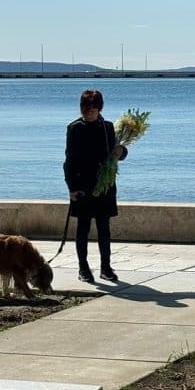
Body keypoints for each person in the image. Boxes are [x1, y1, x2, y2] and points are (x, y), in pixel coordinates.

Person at [63, 89, 128, 282]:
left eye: (93, 110)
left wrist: (121, 151)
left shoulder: (108, 127)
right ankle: (83, 268)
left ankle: (106, 267)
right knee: (83, 228)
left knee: (104, 228)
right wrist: (71, 187)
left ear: (99, 109)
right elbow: (69, 161)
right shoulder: (75, 128)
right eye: (86, 110)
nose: (89, 113)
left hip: (105, 185)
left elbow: (117, 154)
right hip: (83, 186)